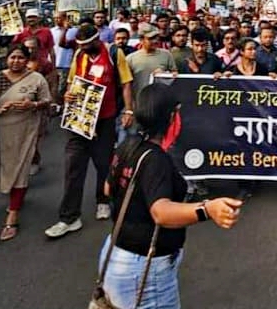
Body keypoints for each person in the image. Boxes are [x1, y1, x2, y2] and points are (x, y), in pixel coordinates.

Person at [98, 84, 242, 308]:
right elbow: (161, 212)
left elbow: (108, 188)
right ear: (172, 117)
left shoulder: (127, 145)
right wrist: (207, 209)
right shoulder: (156, 160)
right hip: (144, 268)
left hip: (115, 253)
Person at [45, 23, 134, 239]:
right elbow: (73, 82)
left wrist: (129, 110)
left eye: (88, 44)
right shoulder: (79, 56)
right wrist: (67, 96)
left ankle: (103, 199)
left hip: (105, 119)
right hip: (80, 119)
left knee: (103, 162)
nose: (84, 48)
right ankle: (69, 217)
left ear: (97, 39)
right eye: (81, 45)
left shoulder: (114, 53)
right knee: (73, 165)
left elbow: (126, 83)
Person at [0, 45, 51, 241]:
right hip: (2, 132)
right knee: (6, 169)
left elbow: (47, 101)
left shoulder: (36, 78)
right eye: (12, 57)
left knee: (21, 169)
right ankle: (15, 198)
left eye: (20, 58)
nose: (16, 61)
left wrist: (33, 105)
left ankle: (12, 216)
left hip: (27, 131)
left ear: (27, 59)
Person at [127, 24, 177, 101]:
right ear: (141, 40)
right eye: (151, 38)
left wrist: (164, 74)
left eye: (156, 37)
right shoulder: (130, 59)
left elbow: (175, 75)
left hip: (161, 101)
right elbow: (127, 86)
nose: (155, 41)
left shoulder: (167, 55)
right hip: (139, 102)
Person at [51, 12, 77, 104]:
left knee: (62, 88)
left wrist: (65, 29)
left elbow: (66, 44)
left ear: (65, 18)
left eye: (59, 18)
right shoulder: (52, 31)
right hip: (54, 64)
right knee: (54, 87)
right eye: (55, 18)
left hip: (66, 64)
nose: (57, 20)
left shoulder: (73, 31)